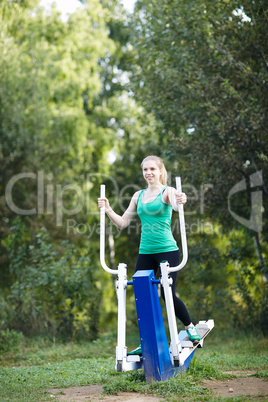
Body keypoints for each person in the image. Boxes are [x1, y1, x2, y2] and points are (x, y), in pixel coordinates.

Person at [98, 155, 201, 355]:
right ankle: (147, 341)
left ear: (161, 171)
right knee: (142, 294)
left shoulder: (167, 192)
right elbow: (122, 223)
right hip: (145, 251)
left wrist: (182, 200)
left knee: (167, 293)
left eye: (152, 169)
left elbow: (178, 205)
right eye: (145, 170)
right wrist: (108, 209)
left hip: (167, 251)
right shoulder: (138, 195)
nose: (149, 173)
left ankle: (189, 326)